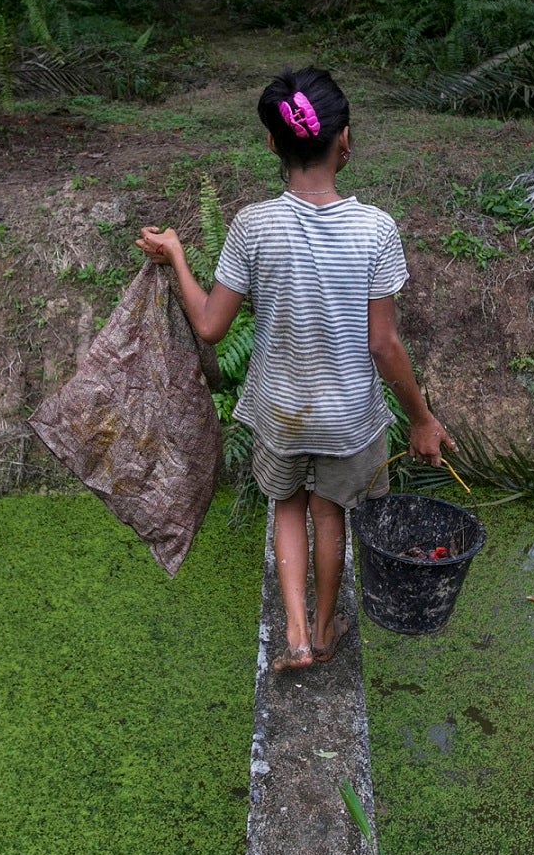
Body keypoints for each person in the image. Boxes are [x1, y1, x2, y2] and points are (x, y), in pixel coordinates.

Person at [136, 67, 455, 672]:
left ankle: (296, 636)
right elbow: (384, 345)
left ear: (273, 144)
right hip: (348, 419)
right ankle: (327, 626)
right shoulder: (376, 229)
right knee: (327, 513)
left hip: (281, 412)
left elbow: (209, 325)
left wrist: (177, 253)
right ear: (346, 141)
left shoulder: (253, 225)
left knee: (286, 505)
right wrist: (421, 418)